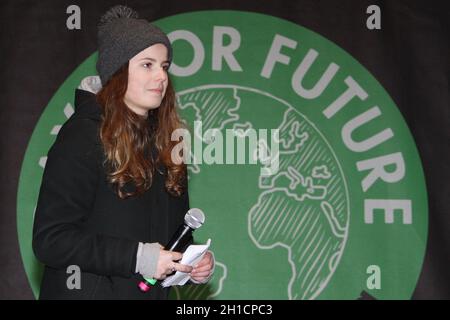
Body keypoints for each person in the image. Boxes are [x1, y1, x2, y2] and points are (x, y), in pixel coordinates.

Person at [32, 5, 214, 300]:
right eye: (147, 65)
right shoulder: (82, 136)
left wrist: (189, 264)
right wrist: (138, 258)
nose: (161, 77)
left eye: (164, 66)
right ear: (118, 70)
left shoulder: (168, 148)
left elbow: (169, 242)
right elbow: (51, 240)